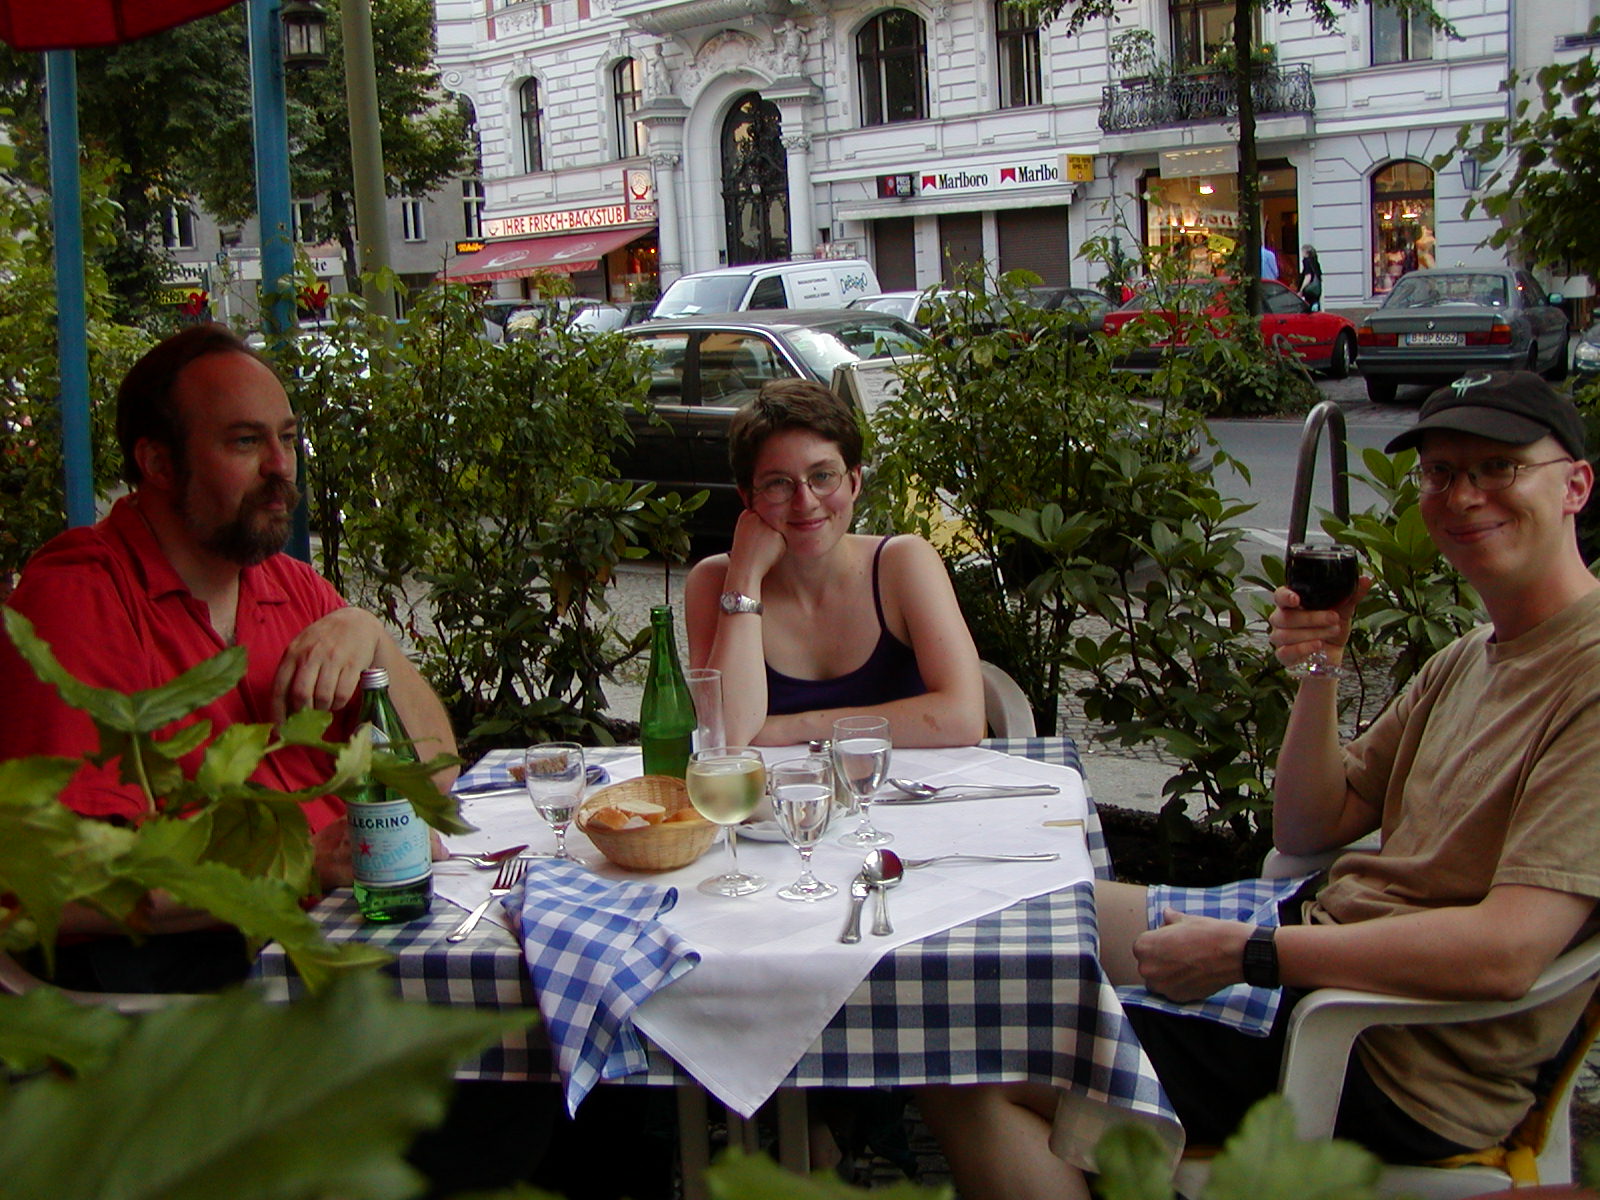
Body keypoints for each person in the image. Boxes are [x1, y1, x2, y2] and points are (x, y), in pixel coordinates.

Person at [917, 371, 1600, 1200]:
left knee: (963, 1057)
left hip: (1387, 1052)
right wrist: (1320, 667)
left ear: (1575, 485)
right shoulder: (1468, 657)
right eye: (1442, 472)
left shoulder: (1588, 679)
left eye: (1499, 468)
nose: (1462, 496)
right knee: (1025, 919)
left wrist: (1249, 955)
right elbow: (1310, 826)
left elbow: (1507, 952)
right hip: (1319, 944)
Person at [0, 323, 459, 986]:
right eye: (246, 442)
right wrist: (298, 863)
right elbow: (54, 879)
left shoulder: (290, 586)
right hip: (198, 996)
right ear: (159, 464)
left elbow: (435, 776)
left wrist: (373, 636)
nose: (280, 467)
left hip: (338, 949)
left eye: (288, 439)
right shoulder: (80, 601)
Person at [684, 378, 984, 747]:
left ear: (854, 482)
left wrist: (794, 728)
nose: (805, 501)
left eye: (822, 476)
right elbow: (725, 735)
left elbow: (964, 718)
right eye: (779, 483)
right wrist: (745, 576)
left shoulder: (903, 563)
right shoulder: (714, 580)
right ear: (748, 497)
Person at [1297, 244, 1323, 311]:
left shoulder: (1306, 261)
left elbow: (1308, 277)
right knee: (1315, 308)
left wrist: (1301, 290)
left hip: (1309, 291)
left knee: (1308, 309)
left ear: (1306, 253)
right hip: (1316, 291)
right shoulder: (1315, 262)